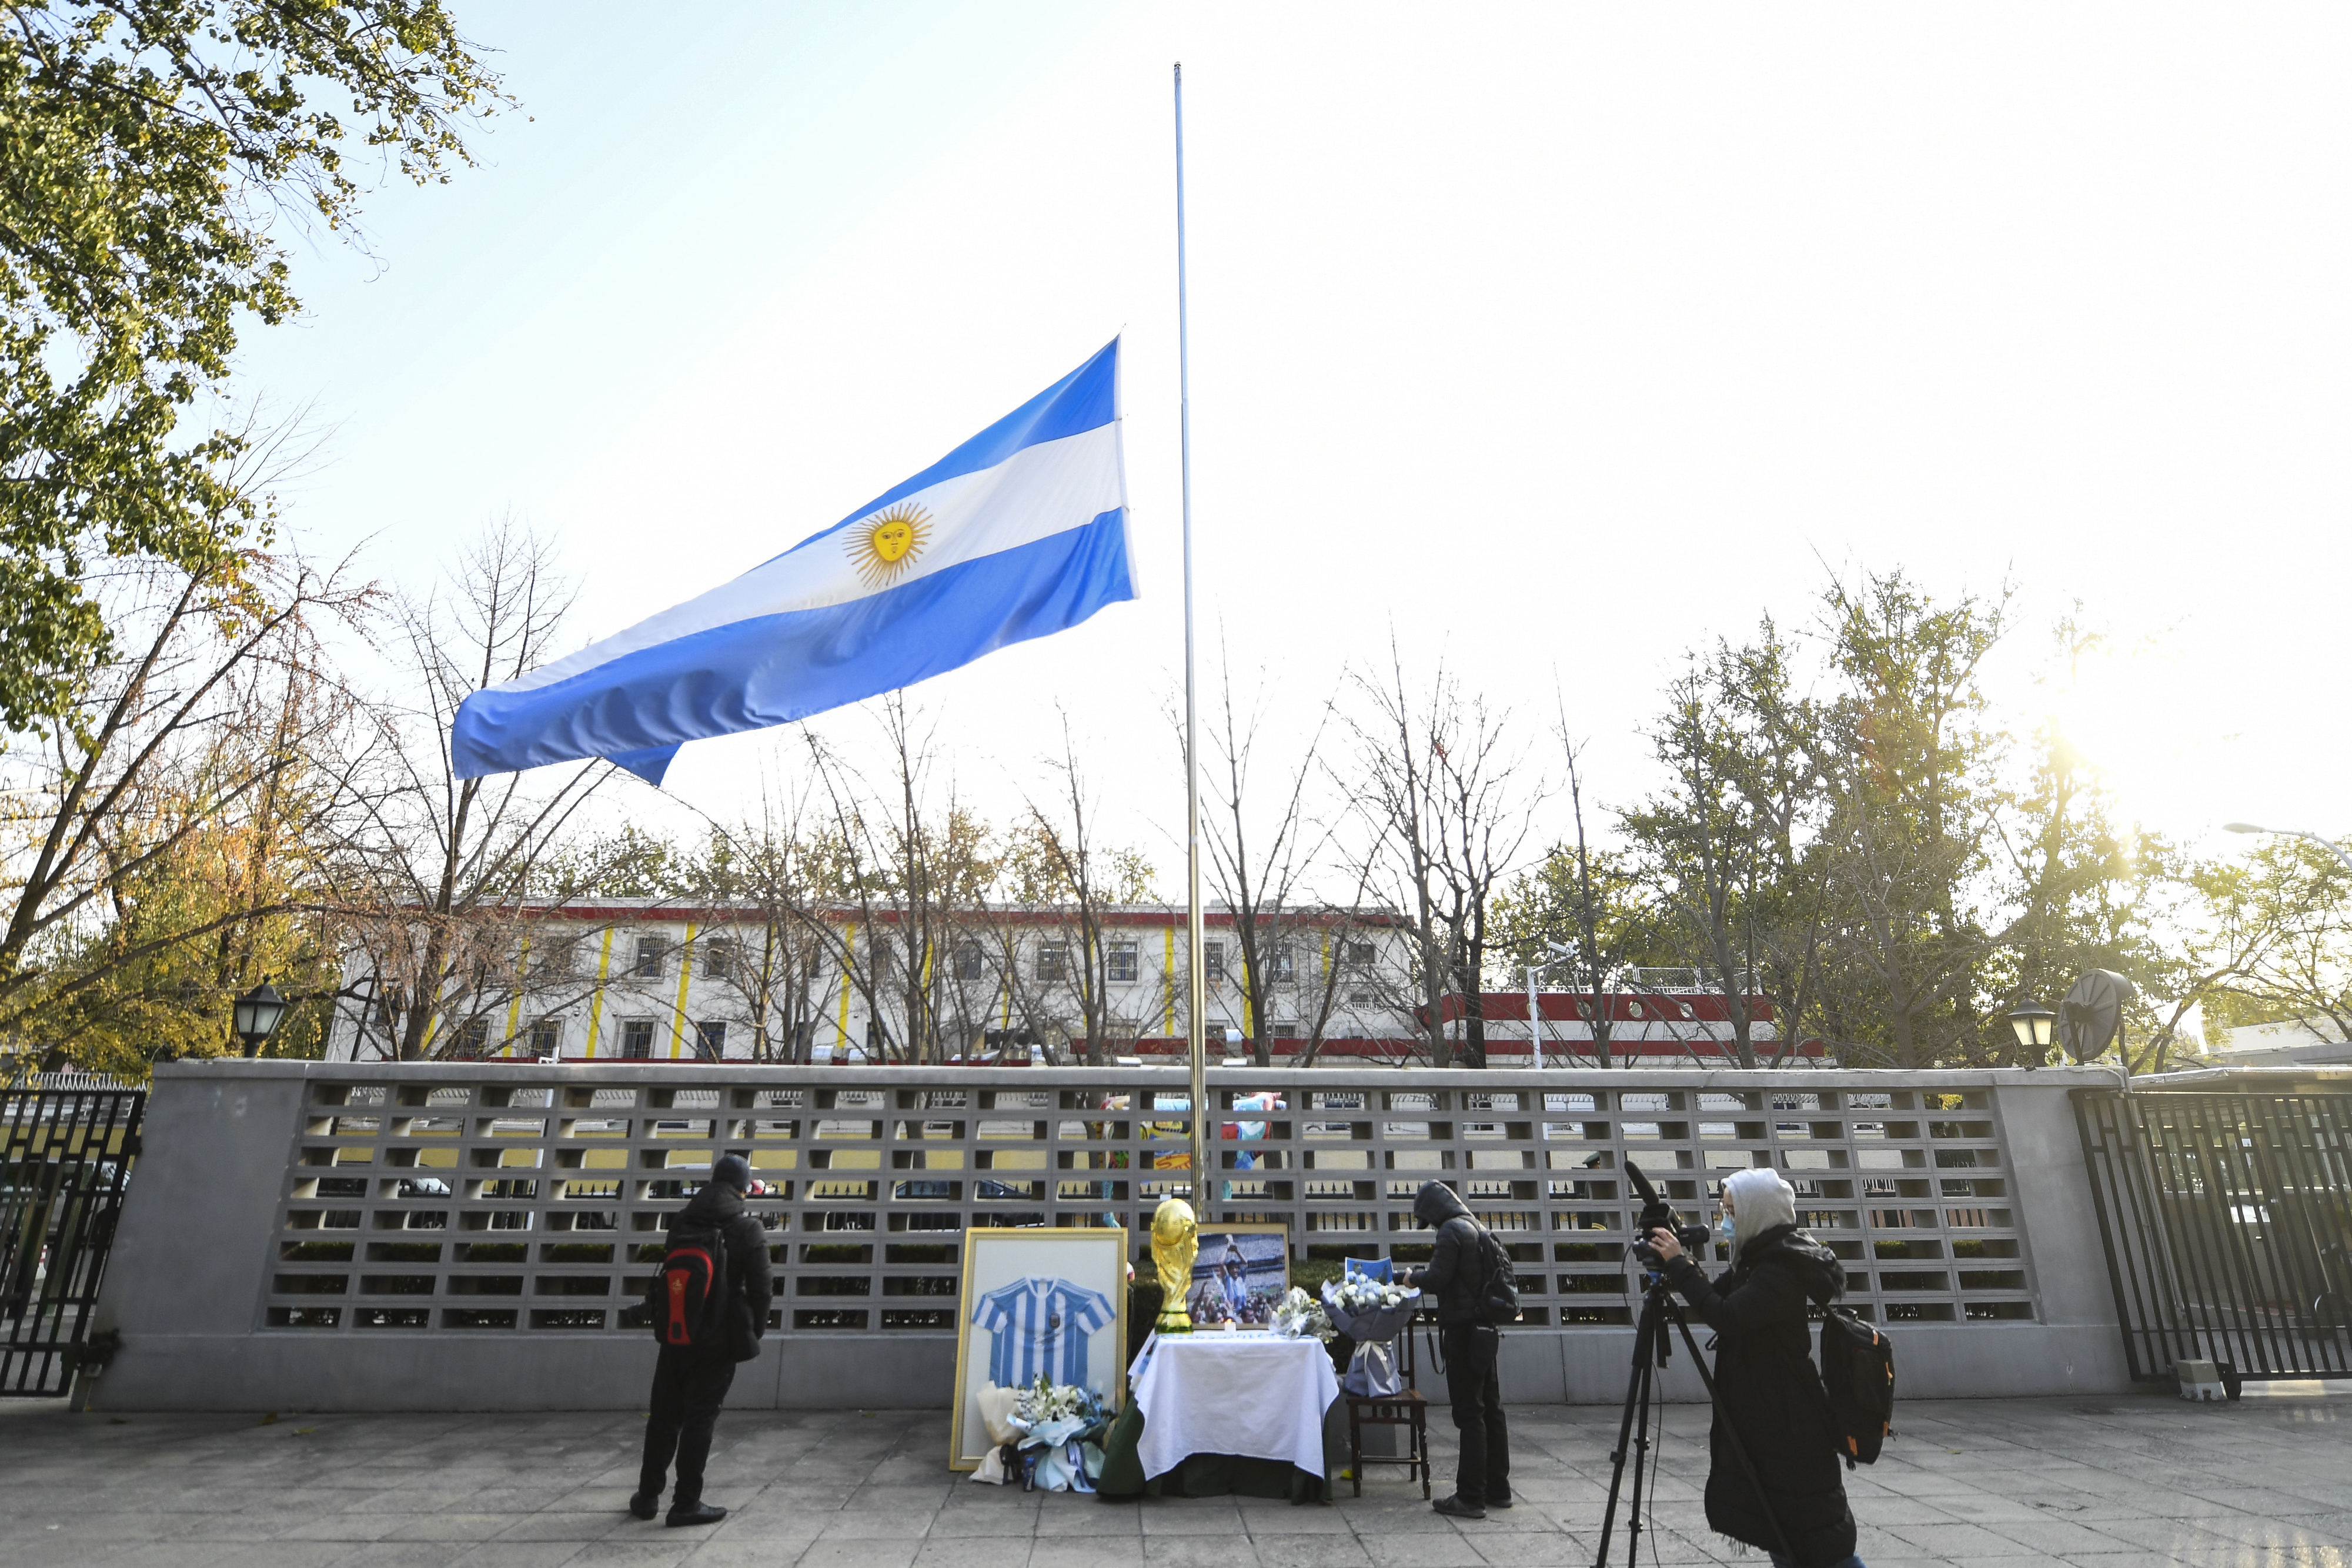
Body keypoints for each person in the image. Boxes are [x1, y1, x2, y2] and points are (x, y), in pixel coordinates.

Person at [1647, 1167, 1863, 1568]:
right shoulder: (1759, 1258)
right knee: (1784, 1531)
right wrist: (1681, 1262)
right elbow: (1715, 1296)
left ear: (1757, 1213)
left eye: (1731, 1211)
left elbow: (1725, 1315)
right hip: (1773, 1419)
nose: (1725, 1221)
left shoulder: (1779, 1269)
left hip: (1792, 1425)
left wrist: (1679, 1264)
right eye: (1723, 1209)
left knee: (1821, 1543)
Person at [631, 1154, 774, 1529]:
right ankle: (686, 1503)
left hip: (676, 1332)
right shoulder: (748, 1229)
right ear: (744, 1188)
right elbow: (762, 1290)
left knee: (663, 1417)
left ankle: (647, 1497)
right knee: (700, 1419)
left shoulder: (683, 1219)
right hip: (719, 1340)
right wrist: (751, 1332)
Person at [1401, 1179, 1510, 1519]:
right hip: (1484, 1330)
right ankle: (1498, 1489)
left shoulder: (1451, 1231)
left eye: (1428, 1220)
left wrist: (1412, 1278)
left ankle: (1470, 1497)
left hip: (1463, 1332)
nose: (1430, 1227)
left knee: (1469, 1414)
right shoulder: (1477, 1227)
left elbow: (1438, 1277)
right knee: (1491, 1408)